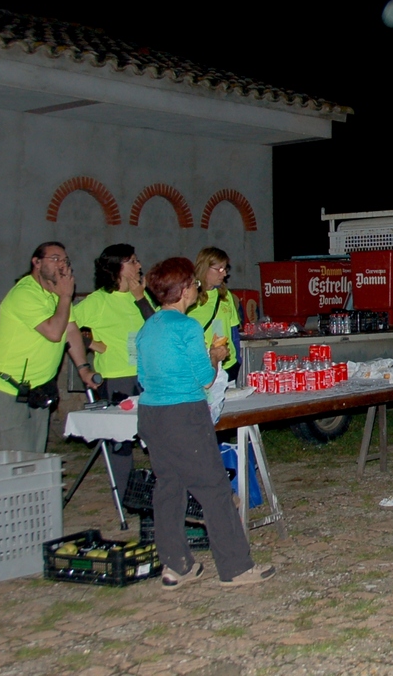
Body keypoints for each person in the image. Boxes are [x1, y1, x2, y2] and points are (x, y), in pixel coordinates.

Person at [137, 257, 275, 589]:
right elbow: (204, 378)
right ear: (184, 289)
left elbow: (142, 376)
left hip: (152, 414)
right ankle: (236, 567)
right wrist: (214, 358)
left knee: (168, 488)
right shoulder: (186, 327)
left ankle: (176, 565)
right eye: (194, 284)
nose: (196, 289)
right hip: (183, 413)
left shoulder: (148, 327)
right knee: (214, 489)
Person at [0, 242, 97, 452]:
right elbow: (54, 333)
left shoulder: (55, 293)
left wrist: (83, 369)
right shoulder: (24, 294)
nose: (61, 265)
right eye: (55, 259)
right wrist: (66, 296)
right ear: (36, 262)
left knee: (36, 456)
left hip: (40, 387)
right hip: (9, 388)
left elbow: (70, 330)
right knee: (18, 459)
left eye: (65, 260)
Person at [73, 244, 155, 490]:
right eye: (133, 261)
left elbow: (157, 326)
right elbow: (66, 327)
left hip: (147, 376)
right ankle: (124, 495)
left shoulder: (140, 296)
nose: (139, 265)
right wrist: (92, 344)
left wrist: (141, 298)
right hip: (116, 377)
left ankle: (158, 491)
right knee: (120, 440)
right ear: (117, 267)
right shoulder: (98, 301)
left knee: (156, 433)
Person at [186, 247, 241, 380]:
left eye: (225, 269)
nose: (224, 274)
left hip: (229, 364)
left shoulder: (225, 295)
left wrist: (238, 360)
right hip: (203, 366)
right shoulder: (189, 297)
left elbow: (233, 332)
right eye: (219, 269)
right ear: (205, 268)